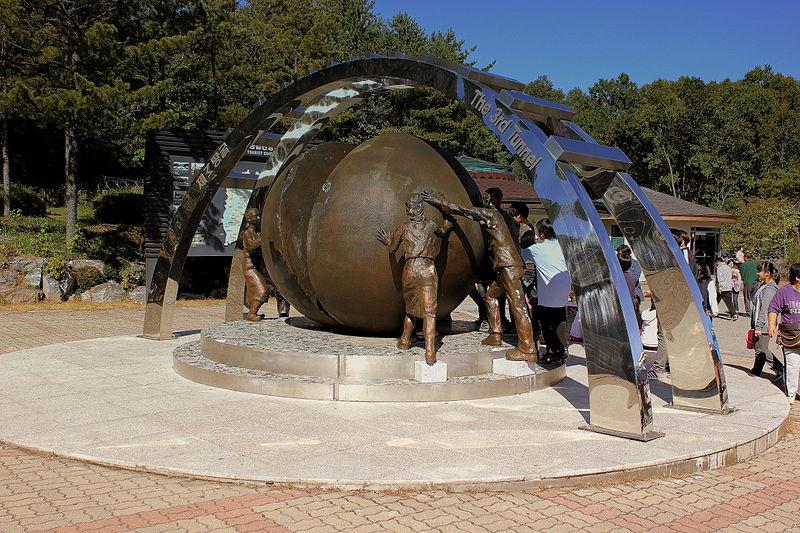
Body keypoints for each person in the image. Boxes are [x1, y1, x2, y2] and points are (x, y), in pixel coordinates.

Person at [422, 190, 538, 361]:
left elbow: (462, 210)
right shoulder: (504, 217)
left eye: (485, 197)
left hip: (508, 265)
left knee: (518, 304)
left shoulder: (491, 215)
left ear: (490, 200)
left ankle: (528, 349)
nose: (482, 199)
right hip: (506, 265)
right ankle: (495, 334)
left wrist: (439, 202)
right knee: (491, 295)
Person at [377, 194, 452, 365]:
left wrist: (389, 241)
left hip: (411, 269)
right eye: (408, 209)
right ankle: (430, 351)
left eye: (410, 208)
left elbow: (392, 249)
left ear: (417, 209)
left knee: (411, 308)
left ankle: (405, 341)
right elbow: (443, 231)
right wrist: (447, 222)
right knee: (429, 312)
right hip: (427, 269)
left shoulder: (403, 228)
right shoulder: (432, 226)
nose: (409, 212)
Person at [526, 218, 571, 364]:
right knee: (560, 317)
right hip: (564, 288)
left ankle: (552, 352)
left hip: (548, 291)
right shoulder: (565, 246)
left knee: (547, 322)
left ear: (541, 234)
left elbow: (519, 253)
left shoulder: (537, 249)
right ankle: (563, 349)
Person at [768, 263, 800, 404]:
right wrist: (771, 325)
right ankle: (791, 394)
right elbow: (773, 308)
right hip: (790, 335)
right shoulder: (784, 292)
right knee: (793, 365)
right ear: (798, 277)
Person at [750, 261, 780, 377]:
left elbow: (765, 308)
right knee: (758, 348)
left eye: (759, 271)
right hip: (760, 322)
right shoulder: (763, 286)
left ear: (767, 273)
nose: (758, 273)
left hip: (765, 323)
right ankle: (756, 370)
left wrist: (759, 325)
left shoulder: (770, 289)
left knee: (762, 349)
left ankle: (780, 368)